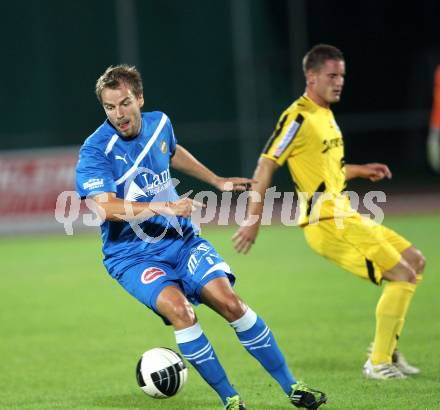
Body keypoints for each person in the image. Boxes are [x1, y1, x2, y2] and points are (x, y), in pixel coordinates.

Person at [75, 64, 327, 409]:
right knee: (182, 312)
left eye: (124, 103)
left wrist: (217, 180)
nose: (118, 114)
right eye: (109, 107)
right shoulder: (94, 152)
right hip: (132, 256)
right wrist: (163, 207)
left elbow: (172, 150)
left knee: (232, 304)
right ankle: (231, 399)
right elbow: (105, 208)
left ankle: (293, 387)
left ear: (140, 99)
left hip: (181, 241)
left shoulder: (160, 123)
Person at [233, 44, 426, 380]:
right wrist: (252, 218)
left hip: (345, 213)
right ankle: (379, 362)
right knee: (402, 274)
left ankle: (387, 350)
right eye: (332, 75)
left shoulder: (326, 115)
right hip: (325, 222)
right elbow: (265, 165)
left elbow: (328, 171)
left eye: (342, 76)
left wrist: (360, 170)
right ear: (311, 77)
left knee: (415, 260)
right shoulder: (297, 116)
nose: (339, 82)